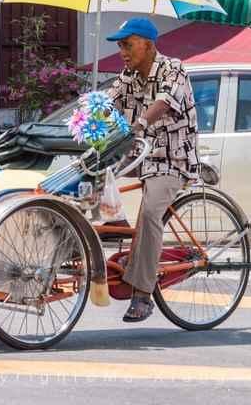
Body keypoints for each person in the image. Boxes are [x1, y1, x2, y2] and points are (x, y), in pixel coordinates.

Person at [104, 17, 199, 322]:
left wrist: (141, 123)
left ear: (147, 44)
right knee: (86, 181)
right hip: (138, 156)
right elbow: (108, 102)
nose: (122, 51)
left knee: (149, 213)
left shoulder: (173, 68)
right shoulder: (128, 75)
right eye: (120, 45)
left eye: (127, 44)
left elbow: (163, 102)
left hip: (171, 160)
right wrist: (83, 120)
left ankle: (143, 294)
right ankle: (103, 238)